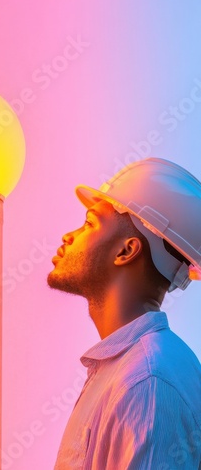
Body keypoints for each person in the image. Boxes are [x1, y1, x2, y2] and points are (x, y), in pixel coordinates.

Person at [47, 157, 201, 469]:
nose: (69, 236)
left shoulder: (148, 381)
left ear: (126, 251)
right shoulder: (125, 369)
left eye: (90, 223)